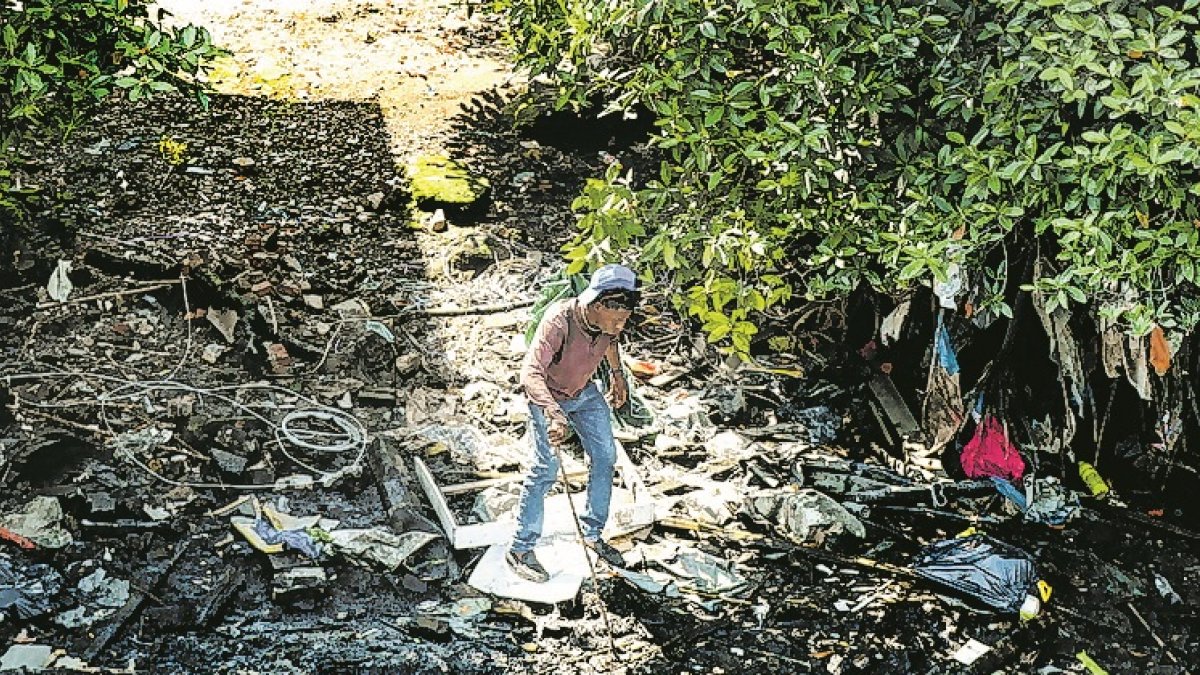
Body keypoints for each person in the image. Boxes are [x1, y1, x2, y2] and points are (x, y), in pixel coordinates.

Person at [506, 264, 639, 582]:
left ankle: (592, 533)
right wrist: (552, 413)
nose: (619, 327)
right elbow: (530, 373)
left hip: (584, 393)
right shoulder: (559, 320)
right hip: (548, 395)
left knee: (606, 456)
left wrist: (618, 376)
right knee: (544, 469)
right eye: (616, 319)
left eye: (624, 320)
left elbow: (610, 342)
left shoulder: (608, 326)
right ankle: (520, 549)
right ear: (597, 305)